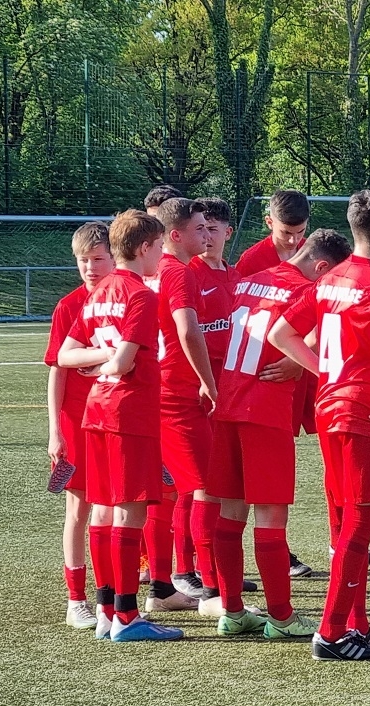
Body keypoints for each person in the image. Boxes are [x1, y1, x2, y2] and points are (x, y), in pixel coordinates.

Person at [271, 190, 370, 662]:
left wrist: (326, 373)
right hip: (362, 413)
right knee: (359, 521)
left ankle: (356, 623)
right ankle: (332, 632)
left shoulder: (330, 278)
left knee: (344, 518)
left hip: (329, 409)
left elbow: (281, 333)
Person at [208, 229, 353, 639]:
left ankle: (232, 611)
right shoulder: (304, 290)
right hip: (265, 408)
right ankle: (281, 617)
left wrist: (292, 357)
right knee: (270, 518)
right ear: (321, 267)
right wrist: (309, 364)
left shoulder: (251, 279)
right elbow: (307, 335)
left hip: (228, 400)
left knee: (230, 513)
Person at [57, 209, 182, 641]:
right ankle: (127, 616)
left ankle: (106, 610)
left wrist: (98, 361)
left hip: (96, 411)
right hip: (129, 411)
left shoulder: (99, 292)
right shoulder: (141, 295)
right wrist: (109, 361)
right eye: (160, 247)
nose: (162, 256)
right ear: (145, 247)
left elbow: (68, 355)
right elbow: (125, 361)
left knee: (103, 508)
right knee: (131, 510)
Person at [147, 197, 219, 612]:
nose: (207, 235)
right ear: (175, 234)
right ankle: (212, 591)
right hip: (178, 394)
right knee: (207, 488)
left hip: (153, 392)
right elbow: (188, 330)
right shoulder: (178, 271)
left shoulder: (150, 269)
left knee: (166, 493)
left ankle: (161, 588)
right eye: (199, 228)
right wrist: (208, 382)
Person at [45, 222, 115, 629]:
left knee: (117, 505)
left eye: (98, 259)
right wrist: (55, 431)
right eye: (83, 260)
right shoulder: (68, 306)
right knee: (79, 507)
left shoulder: (126, 298)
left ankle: (115, 595)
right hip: (78, 421)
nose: (90, 267)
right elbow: (57, 370)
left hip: (116, 417)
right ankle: (76, 599)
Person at [190, 198, 240, 383]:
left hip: (231, 373)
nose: (206, 236)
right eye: (200, 229)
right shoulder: (188, 273)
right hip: (199, 377)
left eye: (212, 229)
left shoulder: (237, 277)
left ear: (227, 233)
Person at [235, 190, 310, 278]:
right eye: (286, 232)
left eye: (300, 231)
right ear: (269, 222)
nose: (293, 240)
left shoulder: (313, 253)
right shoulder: (251, 261)